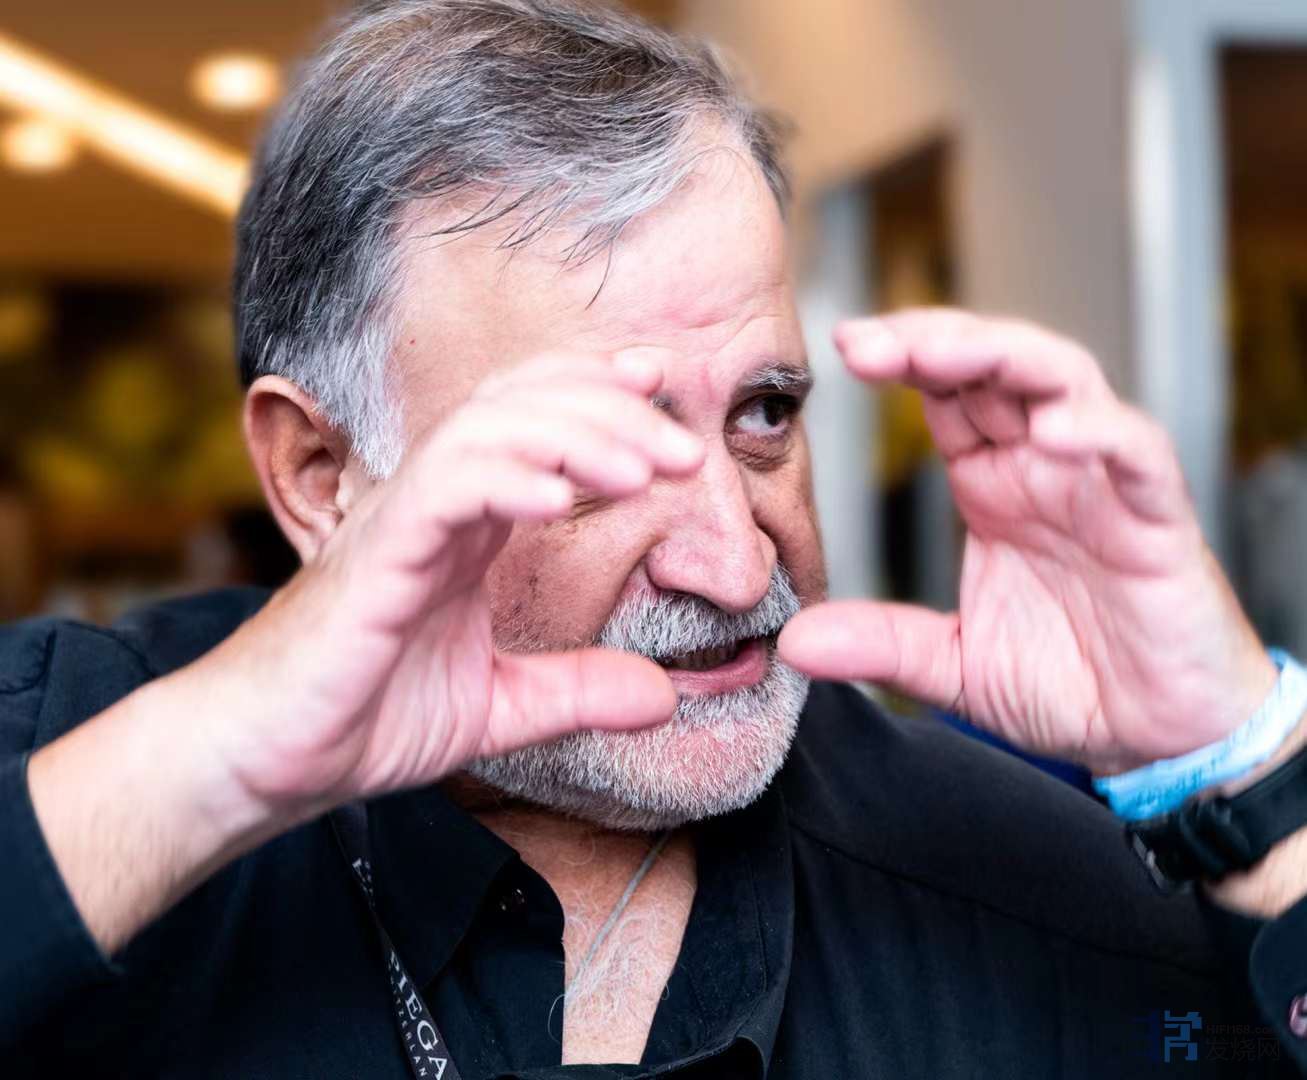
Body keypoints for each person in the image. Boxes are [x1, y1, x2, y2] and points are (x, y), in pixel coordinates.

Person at [3, 1, 1306, 1076]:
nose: (739, 567)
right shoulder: (80, 744)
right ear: (321, 477)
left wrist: (1245, 771)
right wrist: (218, 770)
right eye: (595, 453)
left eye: (765, 413)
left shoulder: (1024, 886)